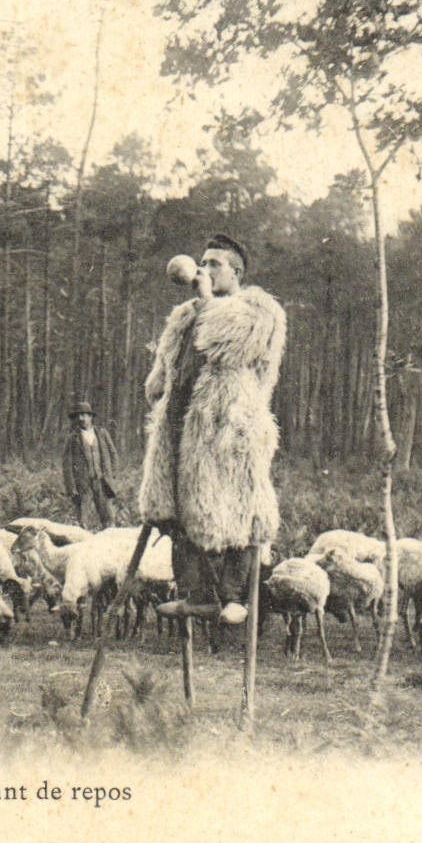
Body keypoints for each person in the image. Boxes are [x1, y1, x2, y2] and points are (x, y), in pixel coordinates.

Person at [137, 233, 286, 620]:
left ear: (235, 272)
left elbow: (229, 343)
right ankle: (197, 593)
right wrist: (159, 382)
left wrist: (205, 300)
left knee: (240, 509)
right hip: (184, 425)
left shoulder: (260, 310)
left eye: (213, 264)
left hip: (230, 428)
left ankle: (236, 598)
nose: (203, 269)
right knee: (182, 510)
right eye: (201, 262)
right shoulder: (186, 315)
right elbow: (166, 365)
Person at [62, 402, 121, 529]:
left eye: (84, 415)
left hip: (102, 482)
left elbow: (113, 454)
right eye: (78, 416)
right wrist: (71, 486)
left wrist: (112, 475)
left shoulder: (102, 433)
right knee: (82, 521)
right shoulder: (73, 438)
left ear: (91, 417)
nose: (81, 418)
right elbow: (67, 464)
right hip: (83, 484)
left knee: (109, 519)